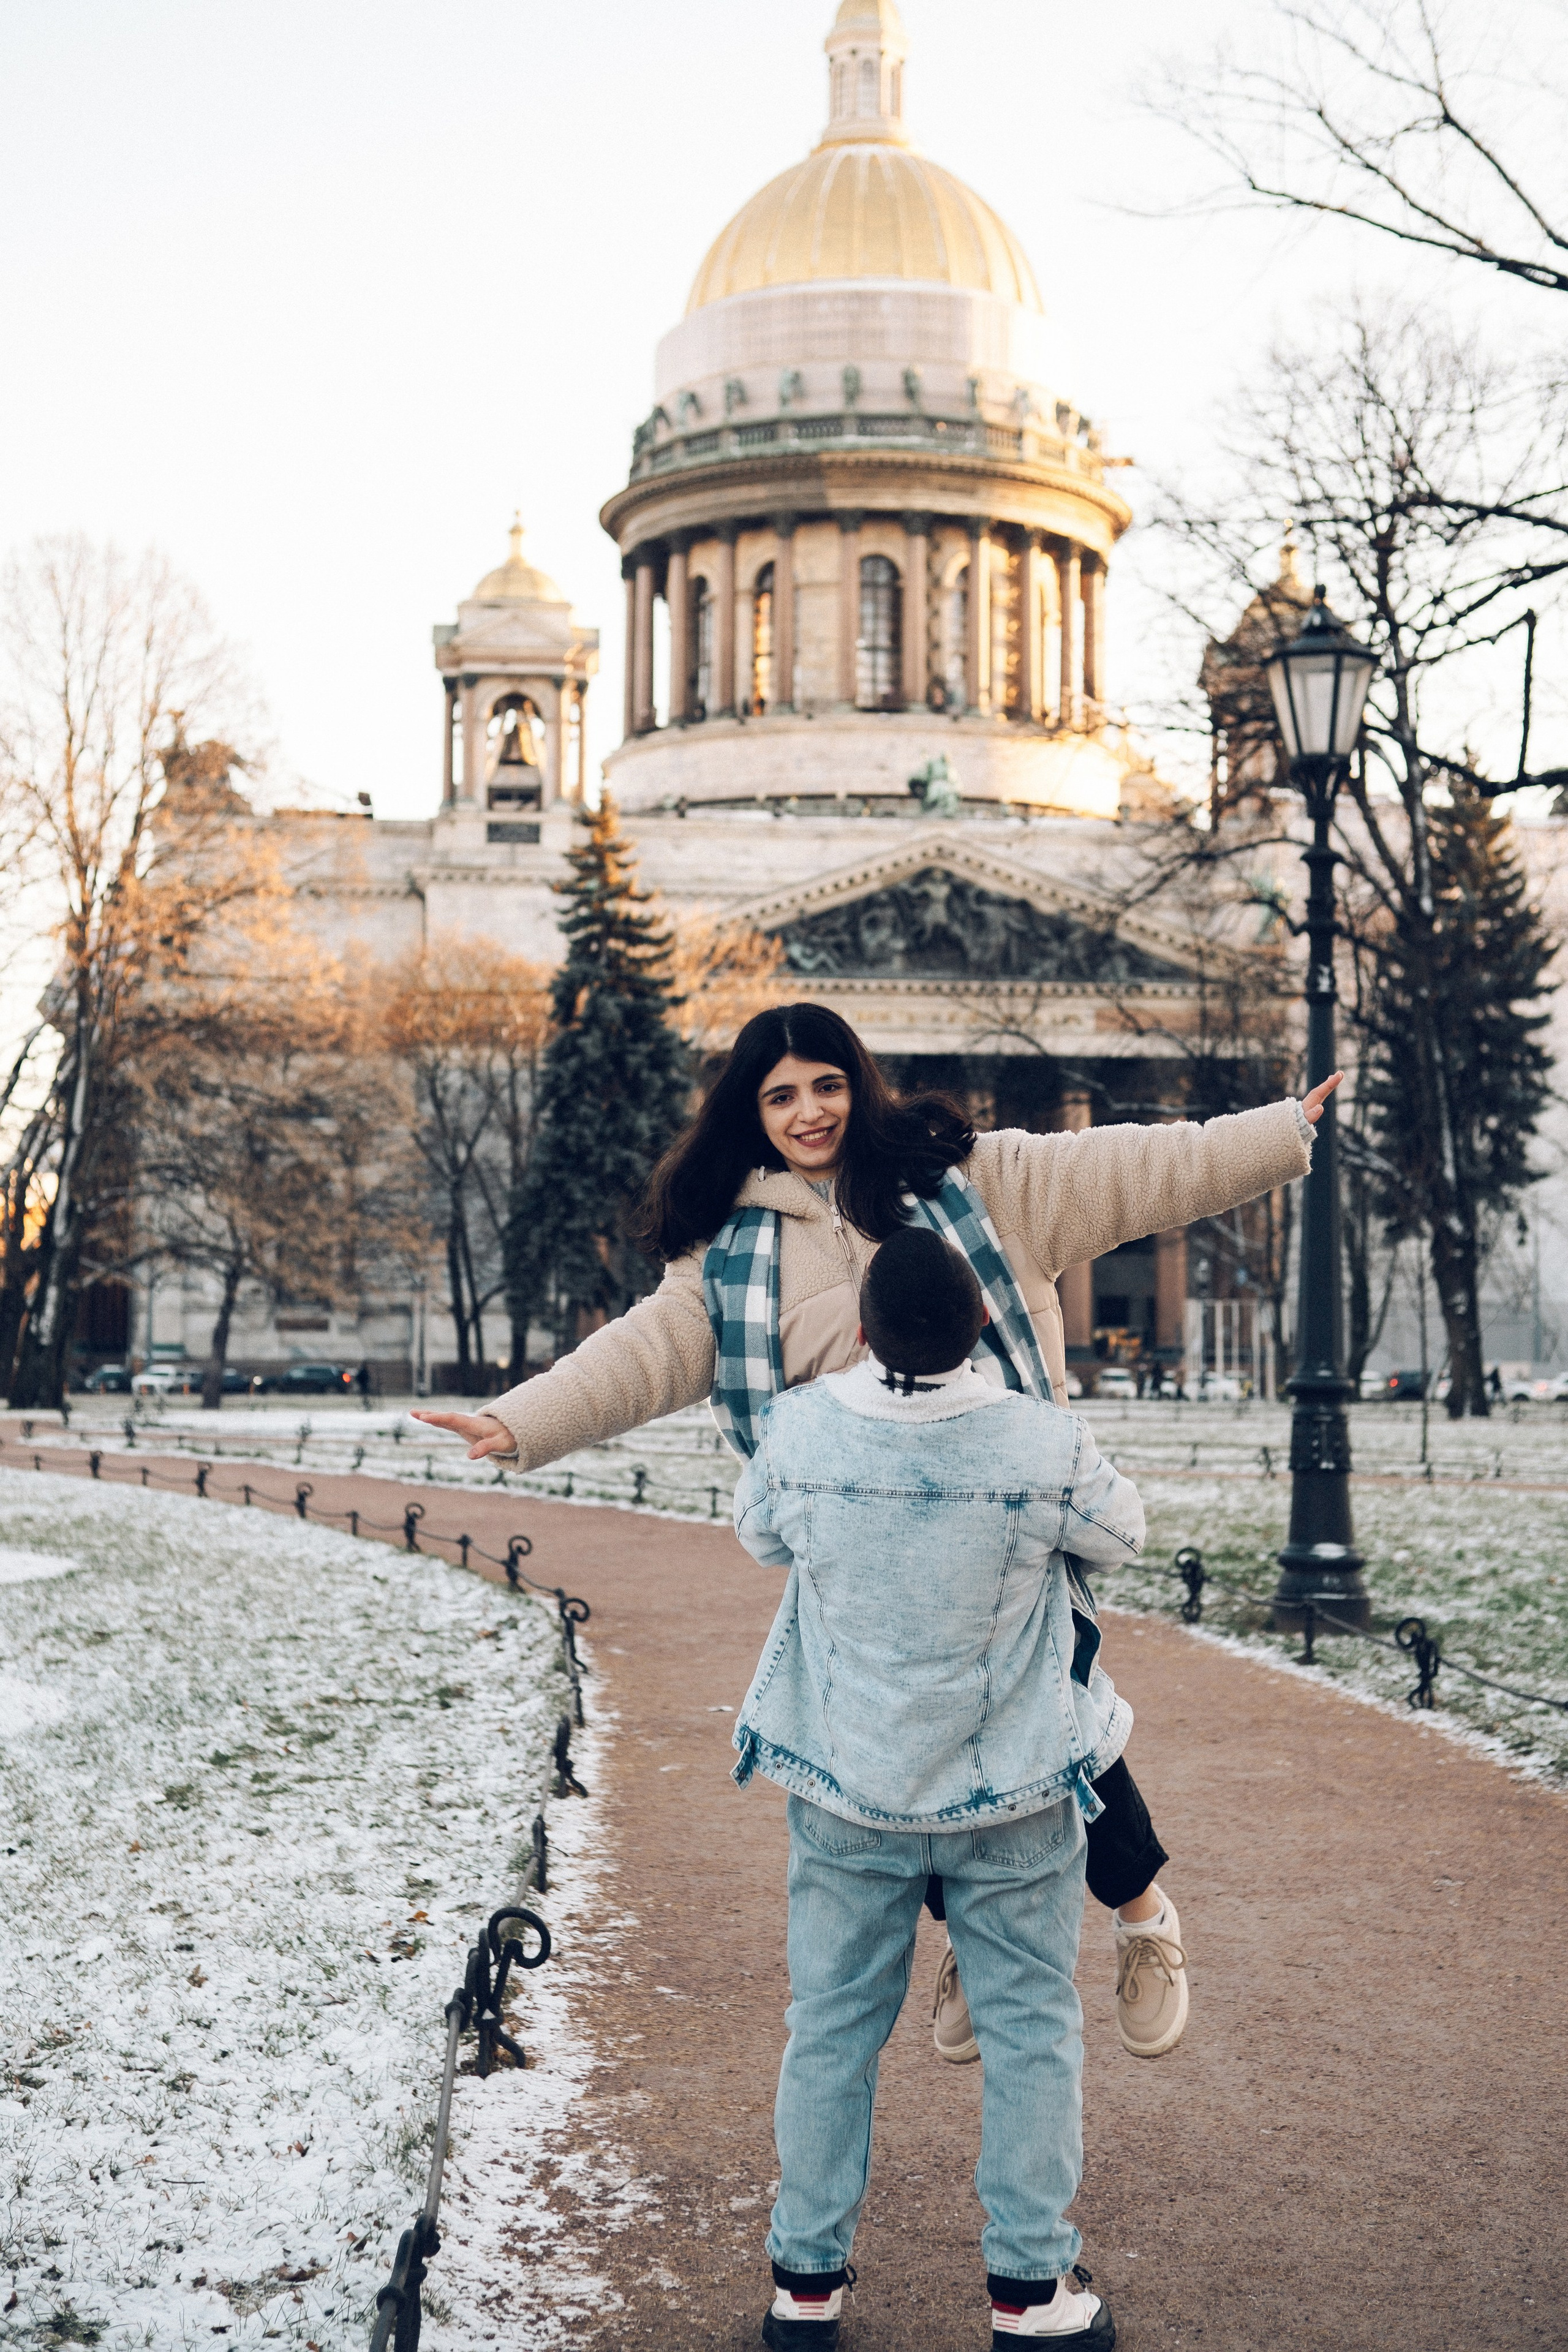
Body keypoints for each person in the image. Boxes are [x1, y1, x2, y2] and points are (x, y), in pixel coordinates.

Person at [414, 1001, 1337, 2059]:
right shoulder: (727, 1255)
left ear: (858, 1080)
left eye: (826, 1084)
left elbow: (1133, 1170)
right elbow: (641, 1358)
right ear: (749, 1112)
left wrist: (1274, 1135)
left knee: (1065, 1721)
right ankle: (986, 1937)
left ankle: (1142, 1918)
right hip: (872, 1555)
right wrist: (517, 1420)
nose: (809, 1113)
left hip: (1005, 1528)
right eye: (780, 1096)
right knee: (910, 1751)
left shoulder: (977, 1179)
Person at [734, 1225, 1140, 2348]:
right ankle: (1029, 2292)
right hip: (1008, 1788)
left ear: (862, 1331)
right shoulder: (1038, 1442)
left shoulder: (801, 1428)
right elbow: (1124, 1533)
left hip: (846, 1787)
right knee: (1028, 2032)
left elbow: (761, 1535)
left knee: (829, 2029)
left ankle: (804, 2284)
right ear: (979, 1329)